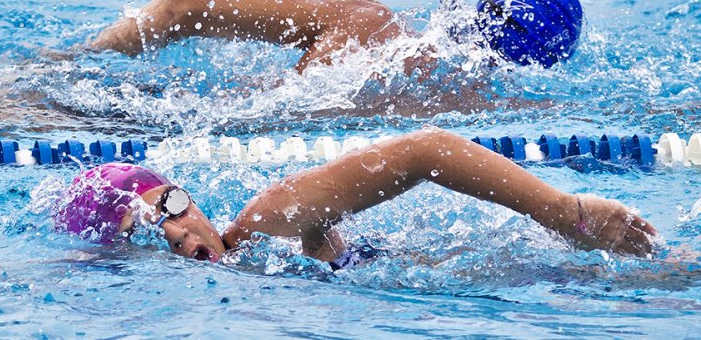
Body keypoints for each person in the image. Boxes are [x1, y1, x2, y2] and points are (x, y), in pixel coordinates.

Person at [53, 127, 657, 269]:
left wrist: (560, 211)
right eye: (154, 227)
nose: (180, 233)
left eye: (176, 205)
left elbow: (428, 150)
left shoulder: (269, 219)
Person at [89, 0, 583, 73]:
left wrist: (72, 61)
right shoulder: (489, 103)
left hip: (140, 110)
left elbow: (180, 5)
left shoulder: (369, 24)